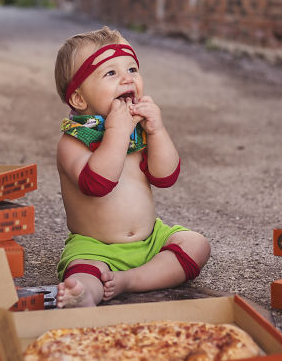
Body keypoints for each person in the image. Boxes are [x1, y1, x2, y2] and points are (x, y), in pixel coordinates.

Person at [52, 26, 211, 308]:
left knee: (197, 245)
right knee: (83, 272)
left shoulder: (138, 132)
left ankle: (132, 279)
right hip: (96, 246)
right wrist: (116, 133)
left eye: (132, 69)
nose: (127, 78)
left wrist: (158, 131)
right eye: (111, 73)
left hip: (150, 239)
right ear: (79, 98)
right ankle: (85, 294)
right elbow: (96, 183)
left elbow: (165, 177)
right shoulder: (73, 141)